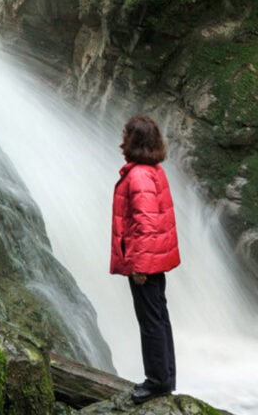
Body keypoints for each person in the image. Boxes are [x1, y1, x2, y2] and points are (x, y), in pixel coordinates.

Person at [111, 114, 180, 405]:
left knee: (151, 321)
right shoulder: (152, 170)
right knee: (159, 317)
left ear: (135, 142)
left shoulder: (138, 176)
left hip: (145, 261)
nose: (121, 141)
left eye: (125, 136)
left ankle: (156, 382)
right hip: (155, 258)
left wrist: (138, 266)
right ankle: (165, 376)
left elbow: (145, 224)